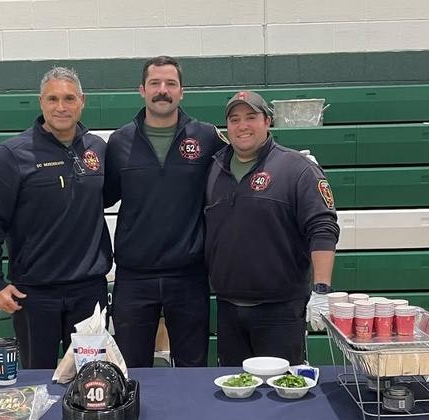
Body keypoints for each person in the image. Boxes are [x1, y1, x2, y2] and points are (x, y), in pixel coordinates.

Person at [0, 66, 112, 369]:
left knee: (93, 379)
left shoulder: (97, 150)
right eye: (52, 99)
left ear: (82, 101)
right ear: (40, 102)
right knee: (38, 382)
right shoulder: (12, 154)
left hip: (89, 291)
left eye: (69, 98)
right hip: (34, 295)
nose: (61, 107)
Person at [103, 56, 227, 367]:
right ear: (141, 90)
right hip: (134, 277)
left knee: (192, 369)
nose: (163, 90)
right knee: (131, 371)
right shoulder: (119, 142)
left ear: (182, 92)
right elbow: (100, 197)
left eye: (170, 84)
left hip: (189, 275)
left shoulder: (206, 137)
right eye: (155, 84)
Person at [204, 91, 340, 366]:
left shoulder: (297, 168)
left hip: (280, 311)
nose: (242, 126)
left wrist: (322, 290)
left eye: (251, 117)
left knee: (281, 400)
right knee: (235, 396)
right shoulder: (213, 169)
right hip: (229, 308)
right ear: (227, 127)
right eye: (234, 119)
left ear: (267, 121)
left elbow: (323, 228)